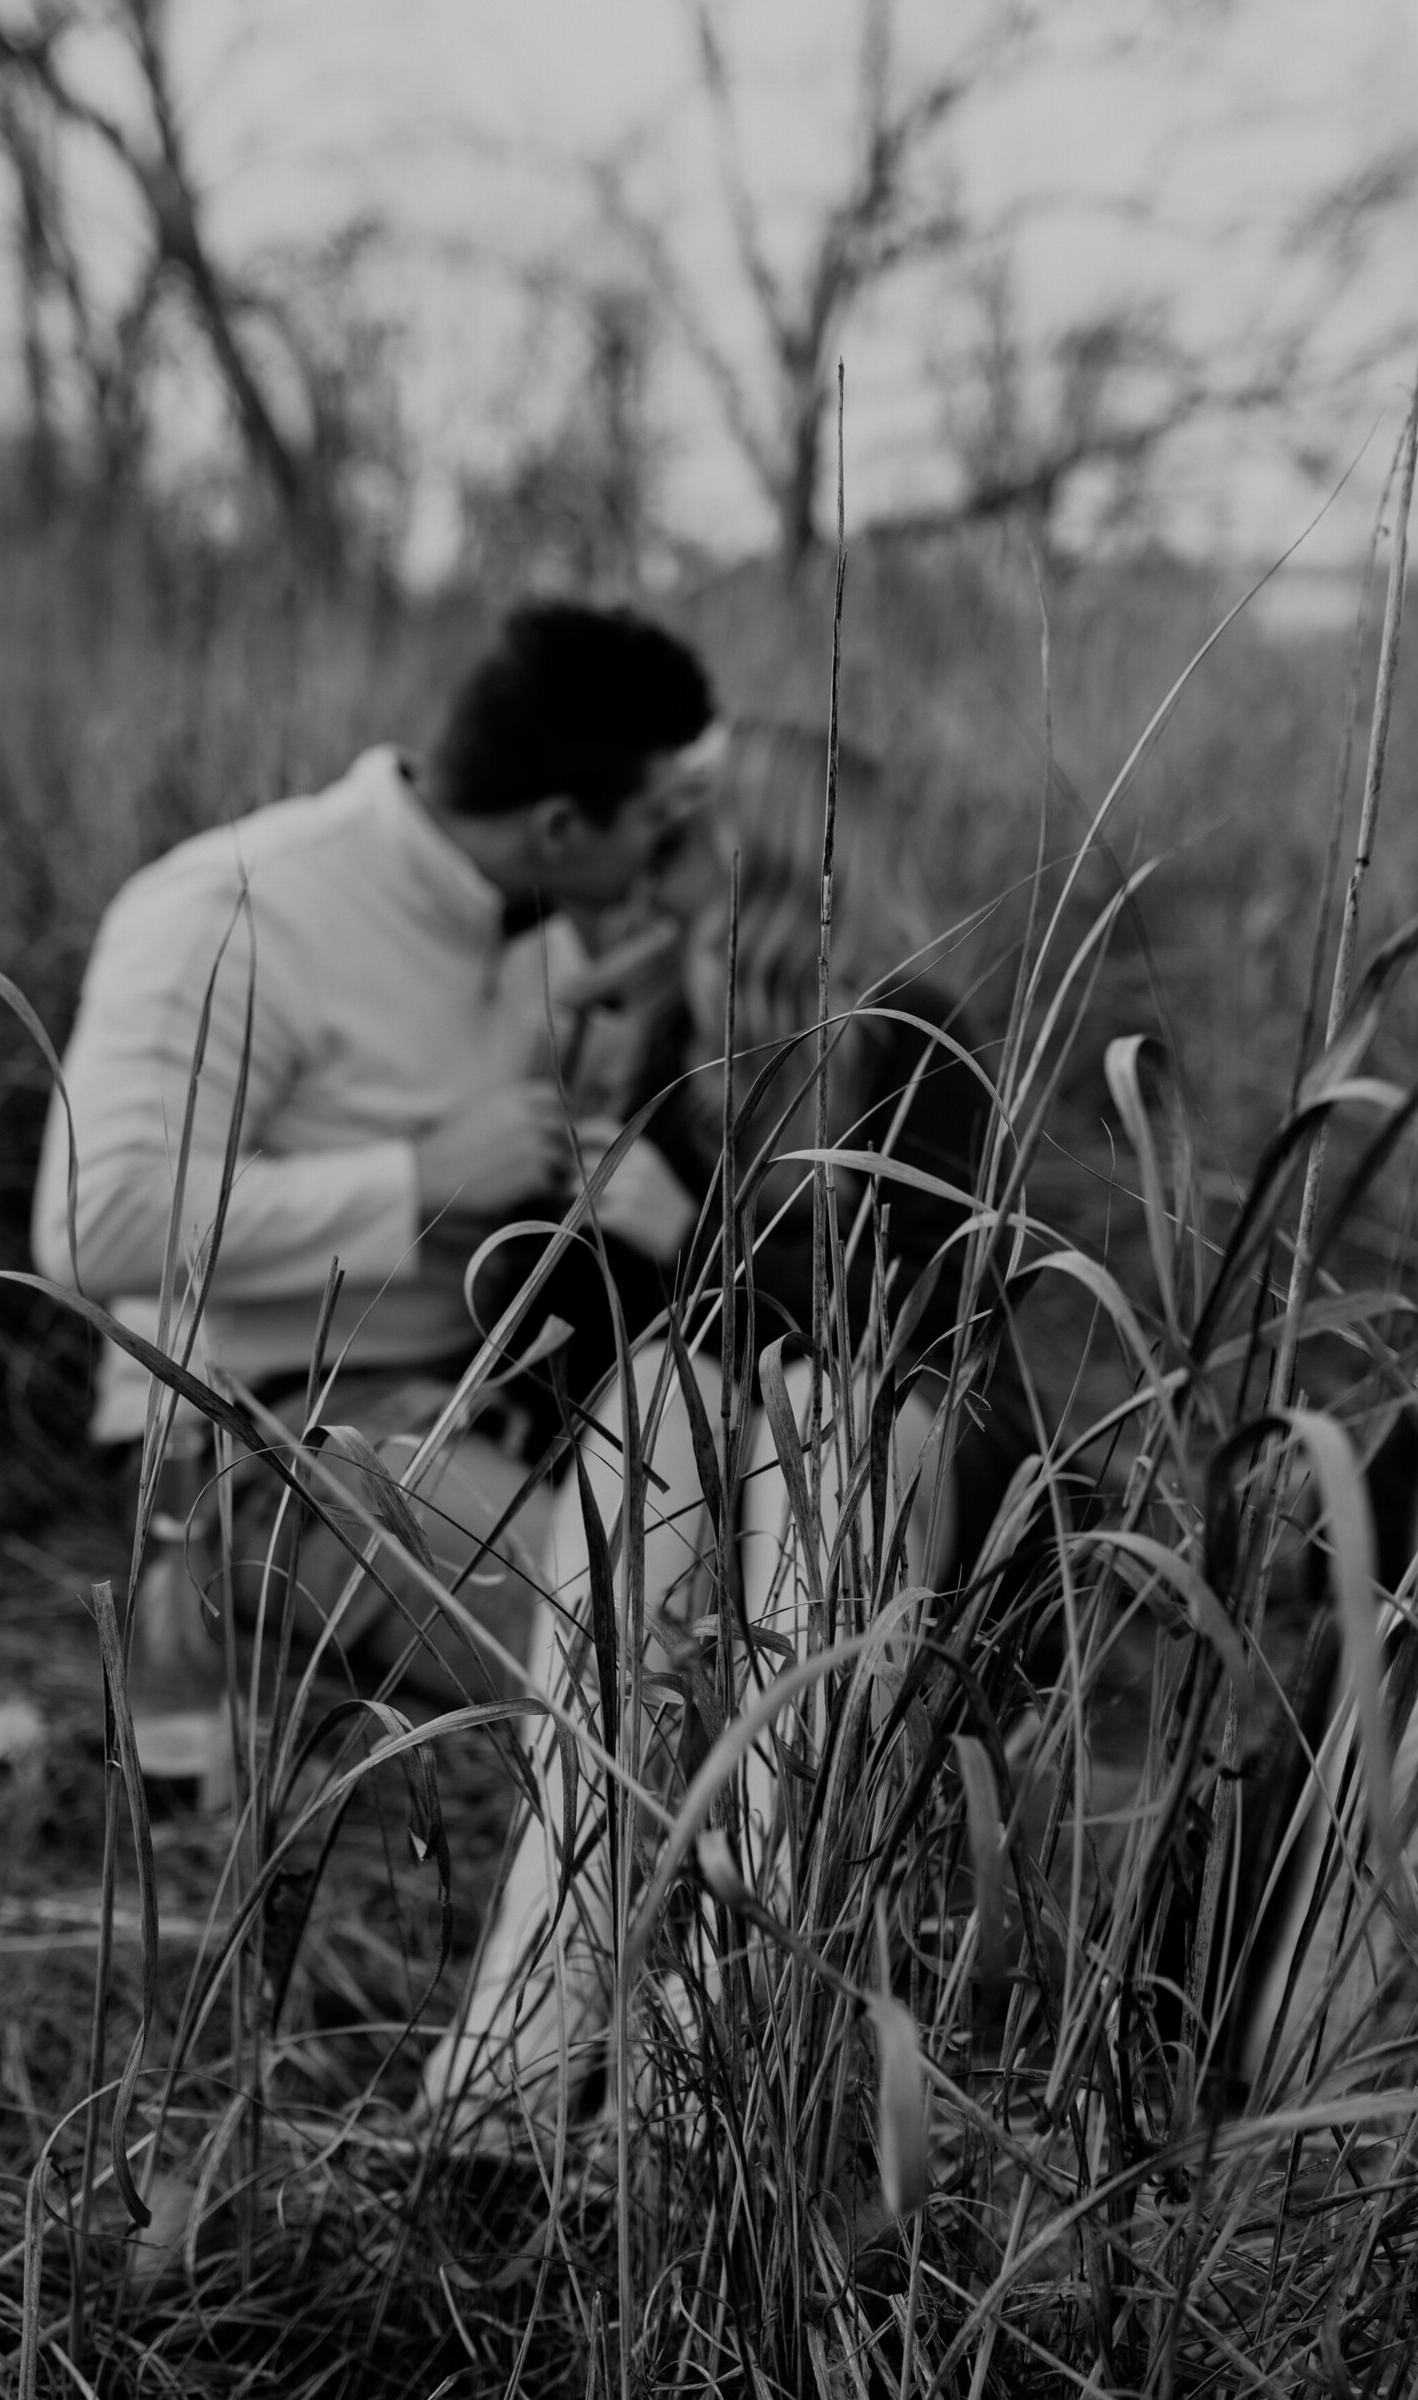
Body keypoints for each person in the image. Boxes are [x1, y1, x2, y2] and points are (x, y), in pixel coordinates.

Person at [418, 718, 1032, 2135]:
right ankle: (542, 2004)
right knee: (655, 1397)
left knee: (814, 1416)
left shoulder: (918, 1038)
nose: (648, 860)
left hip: (892, 1462)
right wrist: (561, 1184)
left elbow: (903, 1328)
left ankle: (729, 2033)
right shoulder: (681, 1053)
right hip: (719, 1477)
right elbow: (586, 1348)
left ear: (747, 852)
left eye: (680, 832)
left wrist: (685, 1228)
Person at [30, 601, 719, 1704]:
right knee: (642, 1665)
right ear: (556, 826)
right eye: (654, 820)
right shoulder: (236, 910)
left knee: (769, 1588)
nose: (667, 850)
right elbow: (90, 1223)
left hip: (503, 1391)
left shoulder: (541, 924)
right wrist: (418, 1177)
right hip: (266, 1432)